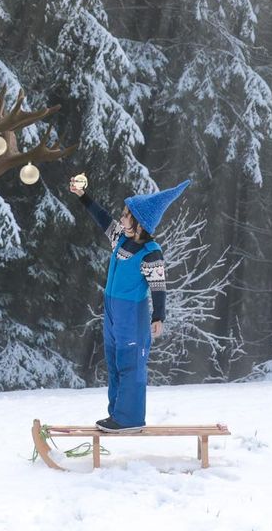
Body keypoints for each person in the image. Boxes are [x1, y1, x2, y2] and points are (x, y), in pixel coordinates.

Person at [69, 175, 190, 431]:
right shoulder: (121, 239)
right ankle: (117, 415)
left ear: (139, 222)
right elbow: (101, 217)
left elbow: (158, 287)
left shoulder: (151, 253)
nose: (121, 218)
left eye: (126, 215)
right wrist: (82, 195)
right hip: (113, 314)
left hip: (132, 317)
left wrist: (159, 317)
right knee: (114, 363)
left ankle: (130, 418)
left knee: (131, 365)